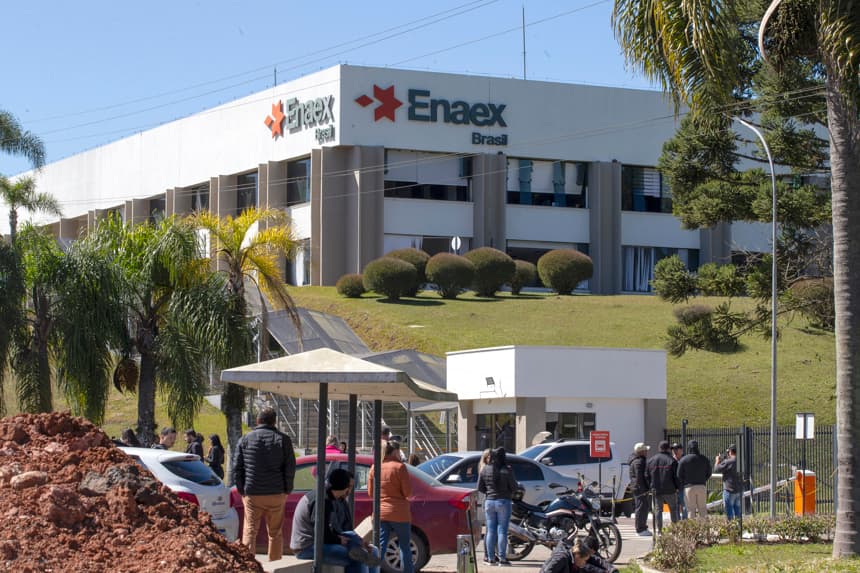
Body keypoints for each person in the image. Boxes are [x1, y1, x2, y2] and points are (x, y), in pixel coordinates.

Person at [232, 408, 296, 562]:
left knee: (250, 531)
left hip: (253, 493)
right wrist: (287, 489)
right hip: (276, 493)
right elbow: (290, 467)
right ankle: (274, 564)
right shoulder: (283, 440)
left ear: (258, 421)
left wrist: (242, 490)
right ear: (274, 422)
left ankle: (248, 566)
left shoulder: (245, 439)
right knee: (275, 532)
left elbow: (237, 467)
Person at [291, 467, 380, 573]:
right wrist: (339, 540)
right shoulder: (321, 500)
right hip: (307, 547)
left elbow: (339, 530)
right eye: (349, 487)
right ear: (345, 487)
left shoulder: (332, 498)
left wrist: (359, 542)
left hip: (322, 542)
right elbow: (320, 533)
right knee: (358, 558)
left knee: (372, 553)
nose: (349, 491)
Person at [368, 440, 413, 573]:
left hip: (380, 512)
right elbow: (408, 493)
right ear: (394, 451)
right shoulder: (400, 467)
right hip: (400, 513)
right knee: (405, 546)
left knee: (380, 546)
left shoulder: (374, 467)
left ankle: (373, 571)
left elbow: (371, 493)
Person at [478, 447, 519, 566]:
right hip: (503, 502)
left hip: (489, 502)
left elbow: (480, 487)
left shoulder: (485, 469)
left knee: (490, 531)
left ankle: (490, 559)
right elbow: (514, 487)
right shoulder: (507, 469)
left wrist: (489, 491)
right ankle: (502, 558)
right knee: (502, 531)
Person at [646, 440, 680, 531]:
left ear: (659, 448)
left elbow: (647, 476)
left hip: (656, 490)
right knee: (673, 509)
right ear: (668, 448)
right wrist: (677, 487)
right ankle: (675, 529)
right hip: (670, 489)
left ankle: (659, 530)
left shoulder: (651, 461)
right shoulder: (672, 461)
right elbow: (676, 476)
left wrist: (650, 486)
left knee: (658, 510)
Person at [677, 440, 712, 519]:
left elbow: (679, 475)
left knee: (690, 510)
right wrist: (703, 479)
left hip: (688, 487)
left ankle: (693, 530)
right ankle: (705, 530)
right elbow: (709, 472)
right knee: (702, 509)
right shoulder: (704, 459)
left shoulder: (684, 459)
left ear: (689, 448)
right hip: (701, 486)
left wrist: (685, 482)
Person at [628, 442, 651, 536]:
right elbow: (639, 477)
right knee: (642, 508)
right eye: (645, 450)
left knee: (641, 507)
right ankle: (640, 529)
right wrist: (644, 489)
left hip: (637, 488)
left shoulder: (635, 461)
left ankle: (641, 527)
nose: (647, 452)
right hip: (640, 489)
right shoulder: (639, 462)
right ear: (641, 451)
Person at [714, 444, 741, 520]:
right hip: (738, 490)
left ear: (730, 451)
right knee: (738, 512)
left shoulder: (728, 462)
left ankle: (731, 530)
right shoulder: (740, 461)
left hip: (729, 491)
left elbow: (716, 469)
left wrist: (717, 461)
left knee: (729, 513)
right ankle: (738, 529)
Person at [670, 442, 687, 519]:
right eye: (673, 449)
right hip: (673, 489)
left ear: (681, 450)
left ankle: (685, 524)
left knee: (685, 507)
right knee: (675, 507)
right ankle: (677, 525)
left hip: (683, 487)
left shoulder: (685, 460)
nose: (674, 451)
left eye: (676, 449)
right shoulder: (670, 460)